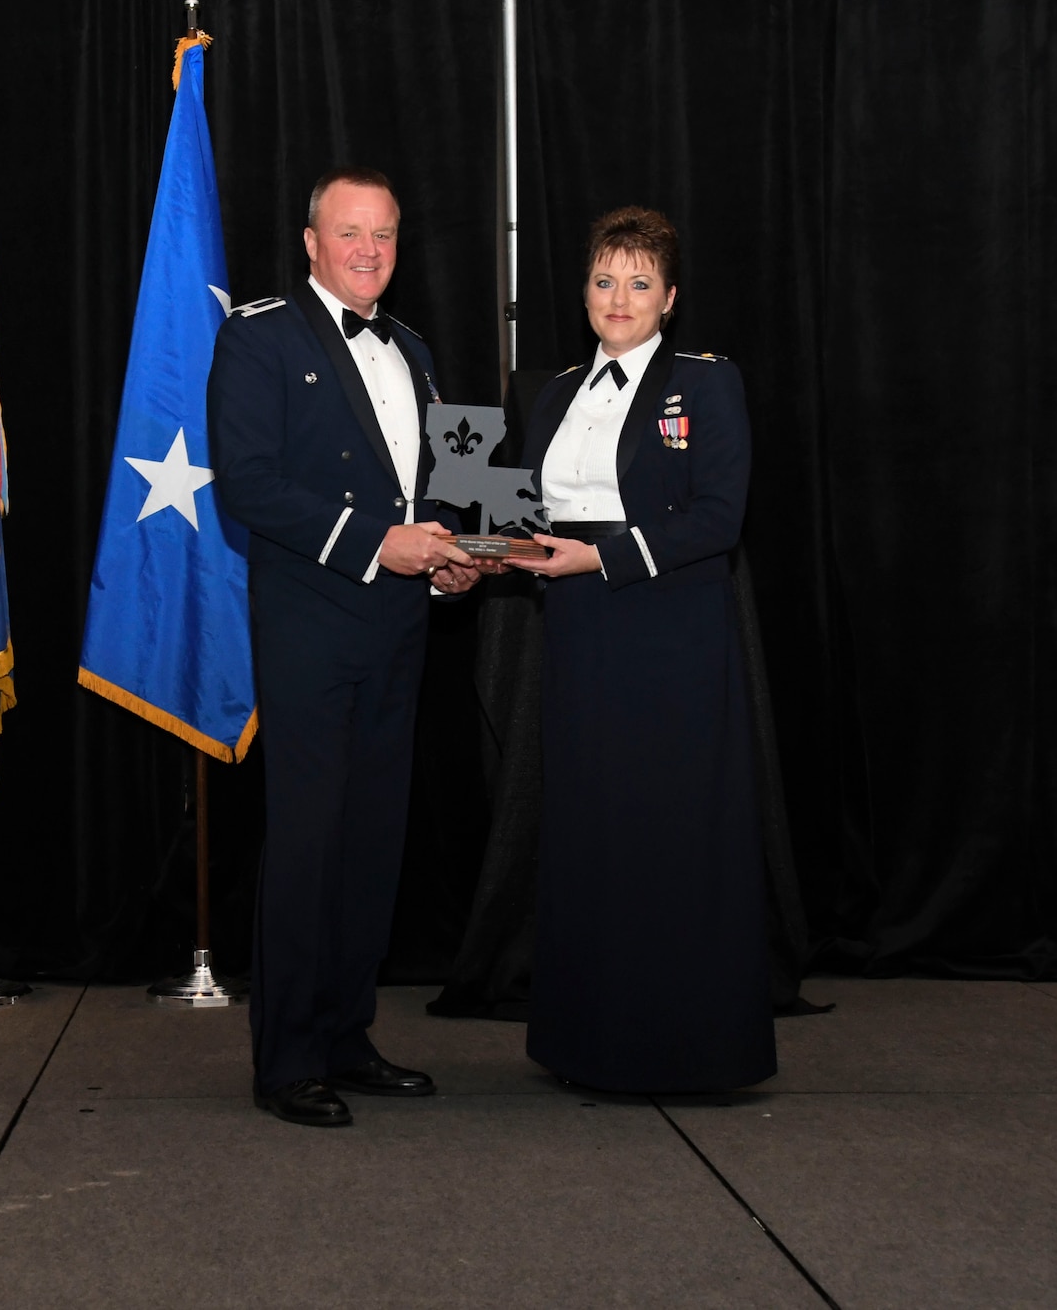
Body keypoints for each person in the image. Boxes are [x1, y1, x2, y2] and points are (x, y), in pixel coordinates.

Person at [207, 167, 485, 1126]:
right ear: (313, 239)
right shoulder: (258, 333)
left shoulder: (412, 345)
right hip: (312, 624)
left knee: (374, 840)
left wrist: (459, 552)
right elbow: (246, 483)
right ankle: (285, 1058)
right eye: (351, 232)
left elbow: (450, 483)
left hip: (402, 624)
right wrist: (379, 542)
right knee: (309, 842)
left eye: (386, 234)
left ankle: (346, 1034)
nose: (370, 250)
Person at [515, 206, 777, 1092]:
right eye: (602, 279)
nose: (616, 298)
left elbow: (719, 518)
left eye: (637, 282)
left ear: (668, 297)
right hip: (580, 634)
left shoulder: (707, 386)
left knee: (671, 835)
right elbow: (520, 512)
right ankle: (589, 1042)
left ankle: (688, 1047)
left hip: (670, 634)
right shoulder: (548, 391)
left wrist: (603, 554)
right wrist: (475, 551)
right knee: (593, 832)